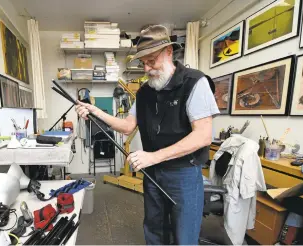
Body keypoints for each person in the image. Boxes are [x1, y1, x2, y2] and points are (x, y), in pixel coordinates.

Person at [76, 25, 219, 245]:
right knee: (154, 227)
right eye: (143, 63)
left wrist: (153, 156)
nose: (147, 68)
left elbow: (203, 136)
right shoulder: (144, 92)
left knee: (185, 234)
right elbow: (126, 126)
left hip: (183, 174)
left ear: (169, 52)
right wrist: (96, 112)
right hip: (153, 173)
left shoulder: (194, 83)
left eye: (151, 61)